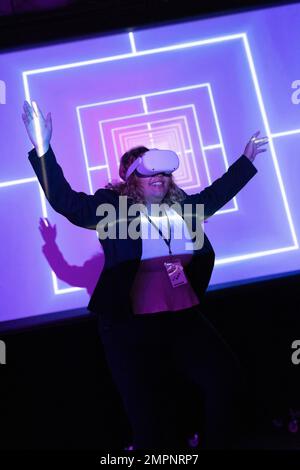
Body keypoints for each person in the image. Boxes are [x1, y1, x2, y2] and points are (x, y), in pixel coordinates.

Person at [22, 100, 268, 450]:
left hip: (183, 316)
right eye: (149, 172)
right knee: (147, 412)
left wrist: (246, 161)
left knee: (225, 380)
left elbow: (216, 194)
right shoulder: (114, 208)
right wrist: (43, 149)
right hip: (129, 324)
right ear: (131, 179)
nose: (159, 179)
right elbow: (67, 202)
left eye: (165, 173)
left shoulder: (183, 209)